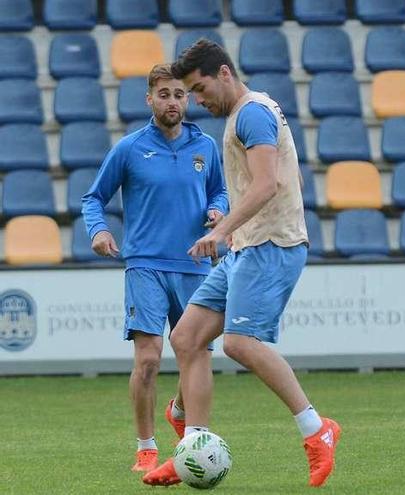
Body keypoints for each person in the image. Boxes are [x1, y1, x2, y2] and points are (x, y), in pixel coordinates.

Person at [142, 40, 340, 488]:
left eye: (199, 88)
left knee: (238, 342)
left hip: (272, 245)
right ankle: (192, 443)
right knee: (187, 337)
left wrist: (219, 230)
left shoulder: (251, 112)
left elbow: (268, 184)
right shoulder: (247, 113)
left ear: (224, 74)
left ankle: (317, 429)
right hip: (248, 244)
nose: (197, 100)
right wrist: (231, 227)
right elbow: (282, 178)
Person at [82, 63, 228, 472]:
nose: (173, 101)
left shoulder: (206, 148)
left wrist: (218, 211)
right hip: (145, 264)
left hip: (196, 265)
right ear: (150, 99)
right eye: (164, 94)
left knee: (195, 355)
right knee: (148, 359)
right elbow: (93, 198)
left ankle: (182, 416)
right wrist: (98, 231)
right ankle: (146, 447)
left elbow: (220, 191)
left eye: (180, 94)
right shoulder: (129, 148)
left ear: (187, 99)